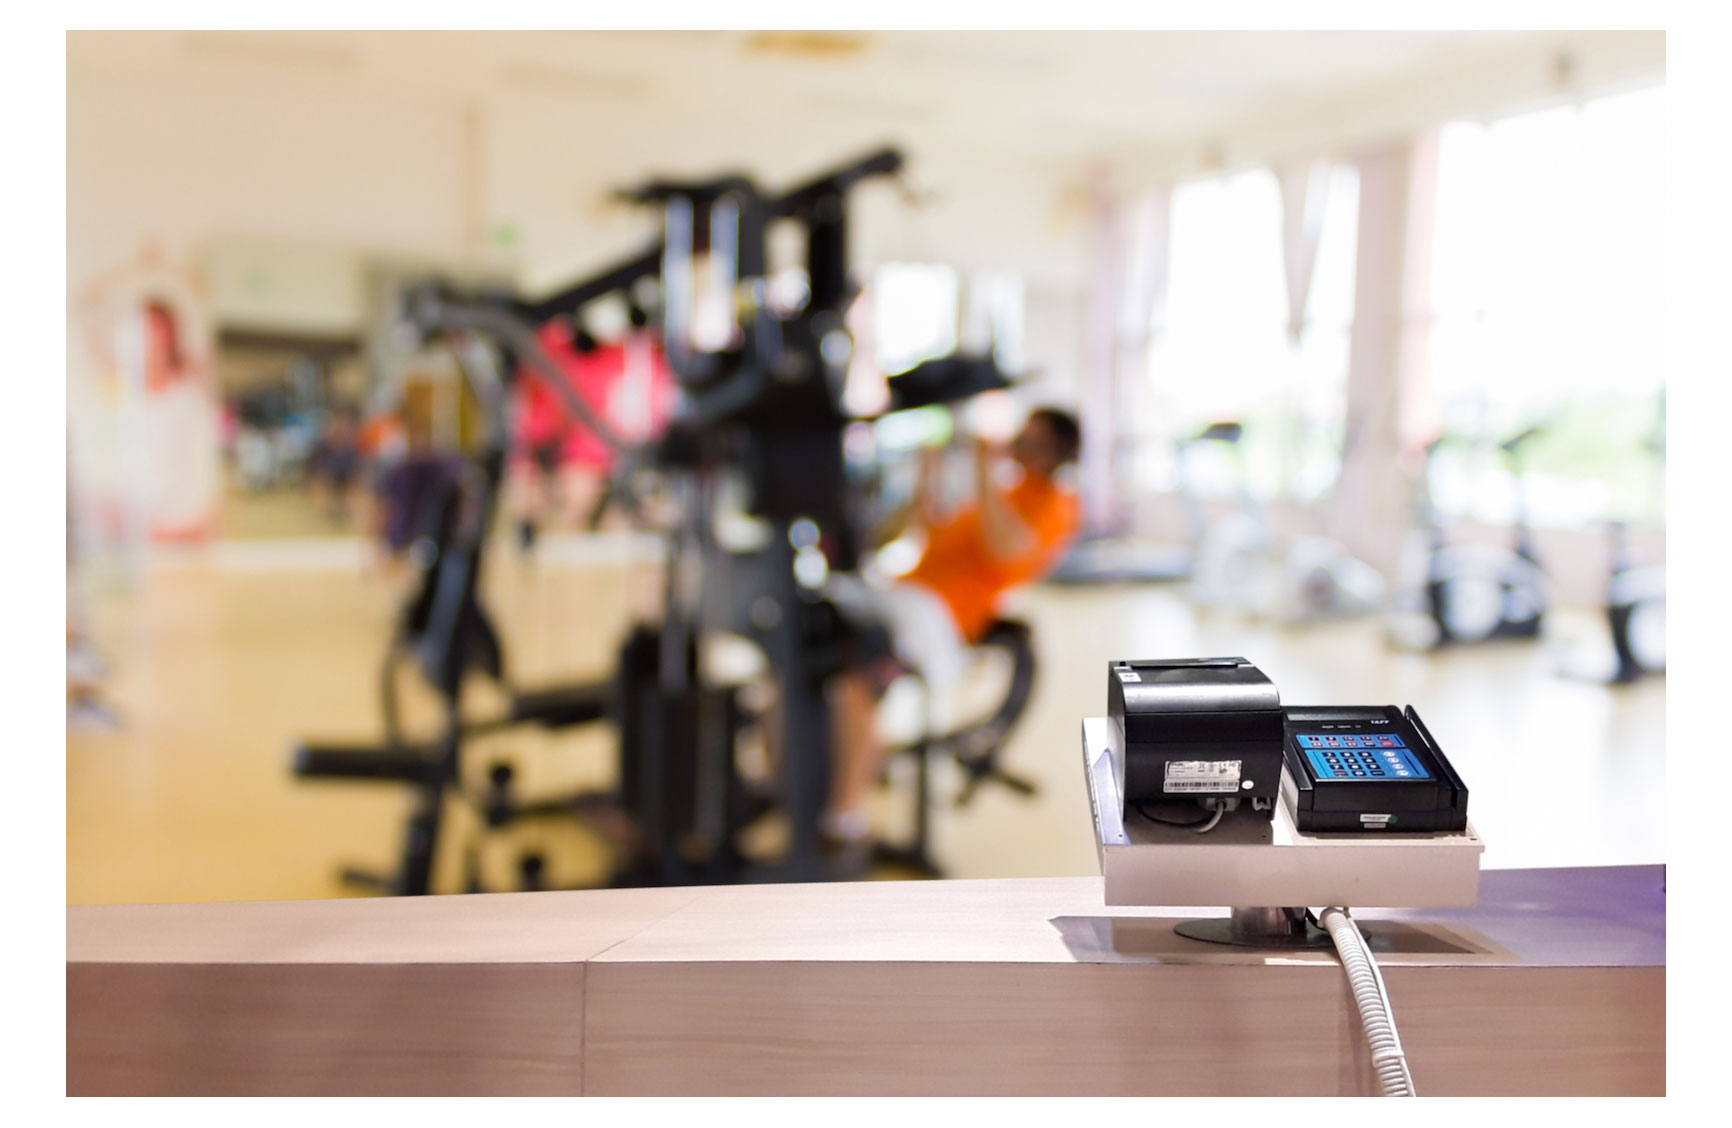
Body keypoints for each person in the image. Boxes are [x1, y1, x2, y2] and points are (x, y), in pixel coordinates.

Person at [822, 406, 1083, 850]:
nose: (1018, 443)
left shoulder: (1056, 505)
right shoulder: (1005, 489)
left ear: (1054, 452)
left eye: (1031, 439)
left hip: (937, 618)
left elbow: (1008, 551)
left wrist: (984, 466)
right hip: (902, 596)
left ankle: (842, 820)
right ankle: (820, 799)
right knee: (818, 667)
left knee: (852, 690)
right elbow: (930, 530)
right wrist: (930, 471)